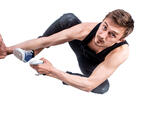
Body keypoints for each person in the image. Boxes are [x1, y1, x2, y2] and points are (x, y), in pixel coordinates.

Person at [0, 9, 134, 94]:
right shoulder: (85, 29)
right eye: (104, 27)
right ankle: (31, 53)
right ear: (102, 21)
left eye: (112, 35)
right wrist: (8, 50)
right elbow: (45, 41)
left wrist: (52, 71)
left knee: (102, 87)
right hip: (79, 45)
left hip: (91, 65)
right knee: (69, 19)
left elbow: (89, 85)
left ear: (120, 40)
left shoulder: (120, 52)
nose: (102, 35)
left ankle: (48, 71)